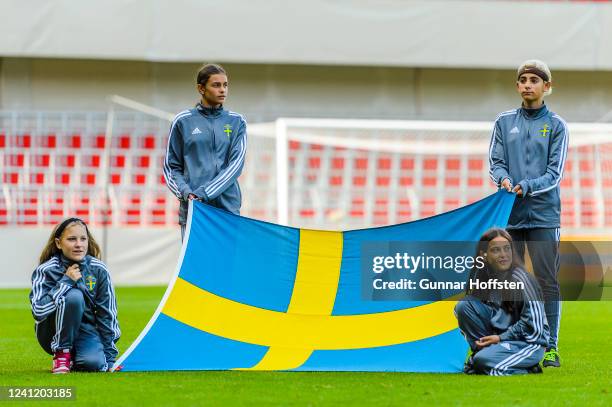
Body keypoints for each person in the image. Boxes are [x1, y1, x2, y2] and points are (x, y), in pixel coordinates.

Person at [488, 59, 568, 367]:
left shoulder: (557, 125)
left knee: (547, 281)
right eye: (523, 79)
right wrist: (504, 179)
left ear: (547, 87)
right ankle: (512, 341)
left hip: (545, 215)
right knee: (510, 281)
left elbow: (555, 173)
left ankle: (549, 346)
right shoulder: (504, 121)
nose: (527, 84)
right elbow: (495, 162)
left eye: (535, 80)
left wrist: (526, 185)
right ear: (517, 85)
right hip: (510, 215)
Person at [163, 63, 247, 239]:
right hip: (194, 210)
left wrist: (205, 192)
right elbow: (172, 167)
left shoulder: (237, 122)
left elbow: (236, 165)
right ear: (201, 88)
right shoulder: (182, 121)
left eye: (225, 85)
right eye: (216, 85)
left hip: (228, 209)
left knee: (226, 265)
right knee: (197, 266)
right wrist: (187, 194)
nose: (222, 90)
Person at [29, 218, 120, 373]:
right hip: (51, 332)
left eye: (83, 239)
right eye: (72, 239)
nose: (79, 244)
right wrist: (66, 281)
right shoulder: (46, 270)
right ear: (58, 243)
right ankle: (62, 354)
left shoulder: (99, 270)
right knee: (74, 296)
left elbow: (107, 314)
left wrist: (110, 358)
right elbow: (38, 311)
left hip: (85, 331)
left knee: (94, 365)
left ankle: (75, 359)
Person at [454, 228, 549, 376]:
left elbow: (535, 328)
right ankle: (485, 354)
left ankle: (526, 367)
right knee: (464, 306)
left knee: (481, 361)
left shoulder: (522, 279)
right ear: (483, 255)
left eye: (507, 249)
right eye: (496, 250)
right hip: (502, 340)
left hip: (529, 344)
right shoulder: (483, 277)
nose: (504, 255)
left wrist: (501, 338)